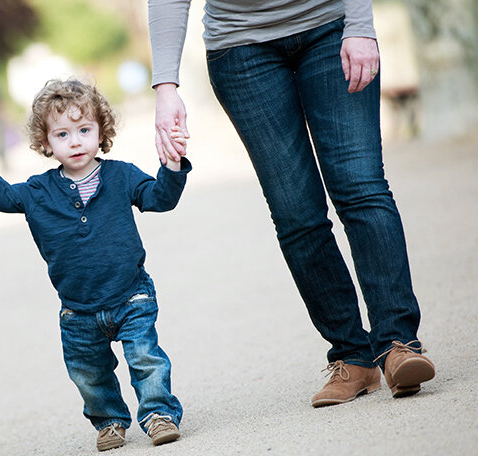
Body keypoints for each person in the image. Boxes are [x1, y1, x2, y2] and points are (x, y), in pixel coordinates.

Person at [147, 0, 435, 407]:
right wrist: (166, 86)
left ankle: (398, 343)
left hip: (330, 26)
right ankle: (352, 356)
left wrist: (359, 24)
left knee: (360, 187)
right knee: (295, 213)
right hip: (240, 49)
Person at [0, 79, 188, 451]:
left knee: (145, 358)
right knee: (88, 373)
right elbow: (0, 196)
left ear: (101, 131)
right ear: (46, 143)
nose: (75, 141)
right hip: (77, 309)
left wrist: (172, 167)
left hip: (130, 294)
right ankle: (109, 420)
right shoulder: (37, 191)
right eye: (62, 134)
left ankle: (159, 413)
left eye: (84, 130)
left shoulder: (121, 175)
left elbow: (160, 198)